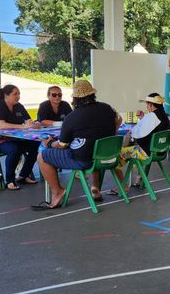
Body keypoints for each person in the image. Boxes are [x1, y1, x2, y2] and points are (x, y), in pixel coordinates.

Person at [36, 80, 121, 209]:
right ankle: (95, 188)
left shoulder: (72, 117)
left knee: (42, 156)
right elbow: (118, 120)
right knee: (94, 148)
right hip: (107, 156)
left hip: (84, 160)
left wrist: (50, 143)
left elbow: (62, 145)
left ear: (75, 98)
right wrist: (112, 131)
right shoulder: (107, 108)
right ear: (92, 94)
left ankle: (57, 191)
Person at [0, 84, 40, 190]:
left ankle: (23, 175)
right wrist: (23, 127)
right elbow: (1, 125)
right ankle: (10, 180)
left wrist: (33, 124)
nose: (18, 96)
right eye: (15, 94)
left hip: (13, 138)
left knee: (35, 145)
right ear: (6, 95)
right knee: (14, 149)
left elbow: (27, 121)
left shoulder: (19, 106)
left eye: (19, 94)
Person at [110, 93, 170, 195]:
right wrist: (143, 118)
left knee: (114, 158)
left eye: (147, 104)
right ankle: (139, 178)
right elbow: (151, 130)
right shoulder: (164, 116)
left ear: (151, 105)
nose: (146, 106)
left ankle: (122, 186)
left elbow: (139, 136)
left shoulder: (152, 116)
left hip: (147, 154)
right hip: (160, 151)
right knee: (136, 146)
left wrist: (130, 135)